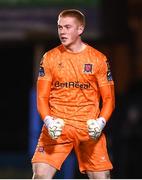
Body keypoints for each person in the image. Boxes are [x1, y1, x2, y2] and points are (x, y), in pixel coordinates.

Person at [31, 9, 115, 179]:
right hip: (58, 128)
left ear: (80, 29)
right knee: (40, 176)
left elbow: (109, 99)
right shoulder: (50, 58)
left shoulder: (98, 59)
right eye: (59, 27)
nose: (62, 32)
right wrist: (48, 120)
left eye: (67, 27)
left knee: (102, 178)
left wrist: (100, 122)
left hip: (88, 129)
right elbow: (41, 97)